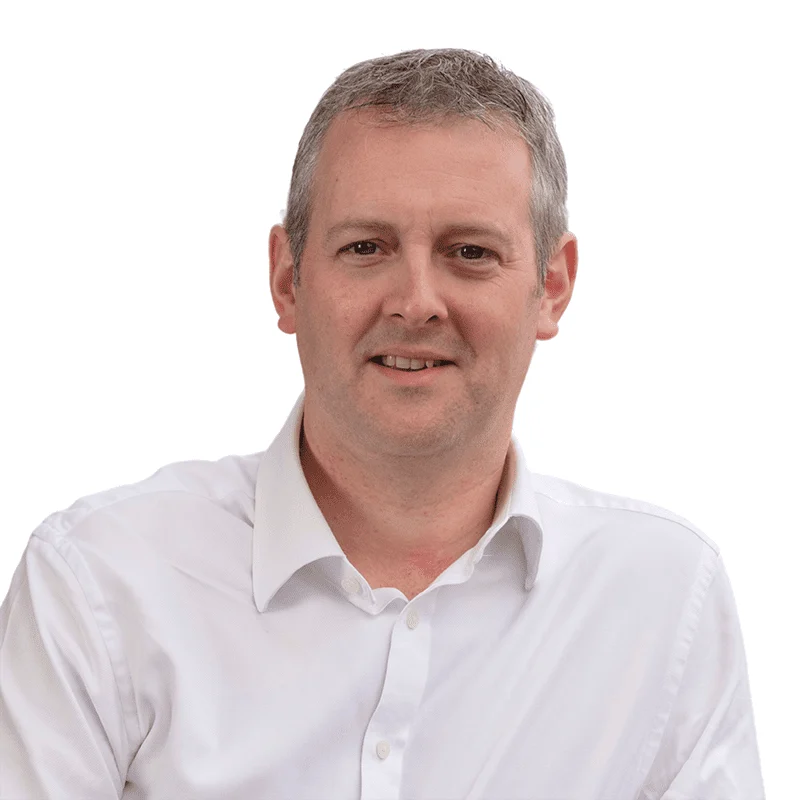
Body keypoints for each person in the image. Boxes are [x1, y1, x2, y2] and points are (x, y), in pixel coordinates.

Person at [0, 48, 765, 800]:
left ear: (552, 286)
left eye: (470, 252)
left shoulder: (663, 600)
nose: (416, 302)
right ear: (287, 278)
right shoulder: (100, 585)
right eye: (366, 248)